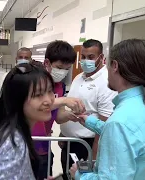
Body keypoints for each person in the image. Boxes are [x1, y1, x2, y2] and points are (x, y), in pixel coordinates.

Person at [69, 39, 145, 180]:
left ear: (114, 66)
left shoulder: (120, 122)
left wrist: (79, 175)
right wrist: (92, 122)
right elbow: (135, 138)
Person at [0, 63, 55, 179]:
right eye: (38, 95)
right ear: (18, 100)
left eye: (50, 91)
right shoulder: (13, 145)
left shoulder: (10, 131)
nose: (48, 100)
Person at [57, 39, 116, 180]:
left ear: (101, 58)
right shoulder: (78, 77)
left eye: (91, 57)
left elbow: (103, 126)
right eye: (83, 57)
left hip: (86, 145)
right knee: (68, 175)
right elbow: (71, 108)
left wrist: (94, 160)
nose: (85, 61)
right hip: (69, 142)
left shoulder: (106, 82)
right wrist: (62, 133)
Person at [32, 40, 84, 180]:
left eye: (67, 69)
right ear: (47, 63)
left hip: (44, 143)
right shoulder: (34, 81)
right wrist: (65, 100)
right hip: (27, 142)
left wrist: (71, 115)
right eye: (60, 67)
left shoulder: (60, 86)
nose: (63, 72)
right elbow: (35, 106)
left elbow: (58, 116)